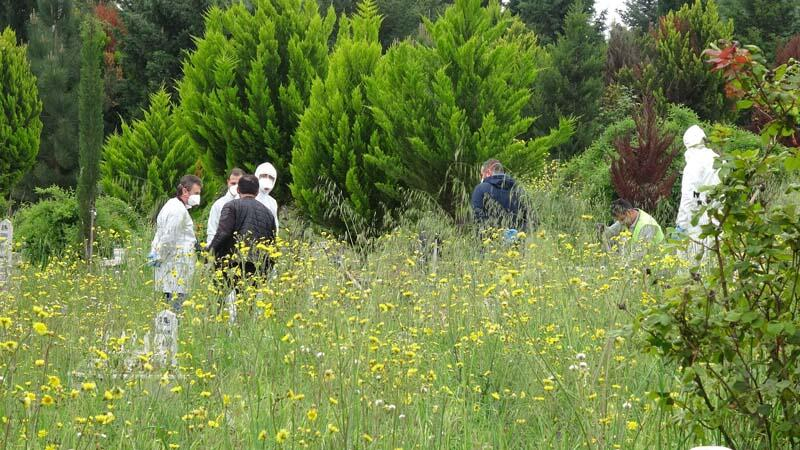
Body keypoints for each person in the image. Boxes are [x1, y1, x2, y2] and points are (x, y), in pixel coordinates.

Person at [208, 174, 277, 309]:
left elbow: (223, 233)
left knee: (218, 303)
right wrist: (268, 269)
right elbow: (272, 242)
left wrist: (209, 252)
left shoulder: (231, 206)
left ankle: (219, 329)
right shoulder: (268, 213)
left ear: (238, 190)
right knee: (246, 308)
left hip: (231, 263)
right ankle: (242, 330)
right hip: (256, 266)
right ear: (257, 192)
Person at [149, 175, 202, 312]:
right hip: (176, 266)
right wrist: (159, 255)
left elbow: (161, 234)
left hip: (173, 265)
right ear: (185, 191)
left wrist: (155, 252)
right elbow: (168, 237)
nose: (198, 197)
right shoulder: (177, 210)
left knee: (170, 305)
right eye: (196, 193)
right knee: (174, 309)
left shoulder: (173, 205)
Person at [675, 125, 720, 259]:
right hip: (720, 218)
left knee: (691, 266)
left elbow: (689, 199)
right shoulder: (718, 159)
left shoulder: (693, 164)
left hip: (699, 223)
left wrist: (681, 225)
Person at [470, 159, 530, 237]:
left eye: (482, 175)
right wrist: (516, 234)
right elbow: (532, 219)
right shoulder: (520, 189)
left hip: (491, 244)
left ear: (488, 173)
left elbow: (477, 218)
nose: (482, 178)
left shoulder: (480, 189)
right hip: (518, 243)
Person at [600, 199, 664, 257]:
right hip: (635, 258)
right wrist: (602, 229)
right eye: (618, 220)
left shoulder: (647, 225)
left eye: (622, 219)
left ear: (629, 212)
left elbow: (640, 254)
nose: (620, 223)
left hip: (655, 261)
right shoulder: (625, 219)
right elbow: (610, 233)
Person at [207, 168, 245, 244]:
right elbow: (212, 229)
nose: (236, 187)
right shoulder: (218, 204)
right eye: (233, 183)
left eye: (239, 184)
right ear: (228, 182)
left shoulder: (248, 203)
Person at [254, 162, 279, 232]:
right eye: (264, 176)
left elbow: (275, 226)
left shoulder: (272, 202)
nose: (267, 179)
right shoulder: (247, 197)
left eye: (271, 177)